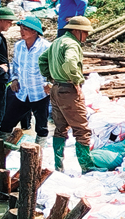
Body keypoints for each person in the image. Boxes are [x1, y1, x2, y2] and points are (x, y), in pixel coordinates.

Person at [38, 16, 94, 173]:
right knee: (81, 130)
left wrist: (51, 76)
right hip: (68, 90)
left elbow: (42, 60)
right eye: (85, 33)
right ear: (77, 31)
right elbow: (70, 62)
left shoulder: (57, 42)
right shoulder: (72, 44)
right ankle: (87, 167)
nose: (86, 36)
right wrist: (77, 79)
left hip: (56, 88)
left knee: (60, 128)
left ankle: (58, 166)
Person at [0, 16, 51, 144]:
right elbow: (15, 65)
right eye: (21, 28)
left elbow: (53, 67)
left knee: (42, 127)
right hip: (22, 92)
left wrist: (50, 83)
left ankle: (38, 154)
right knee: (7, 123)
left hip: (40, 92)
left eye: (25, 29)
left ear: (34, 32)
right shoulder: (19, 46)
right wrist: (14, 79)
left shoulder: (46, 47)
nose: (22, 32)